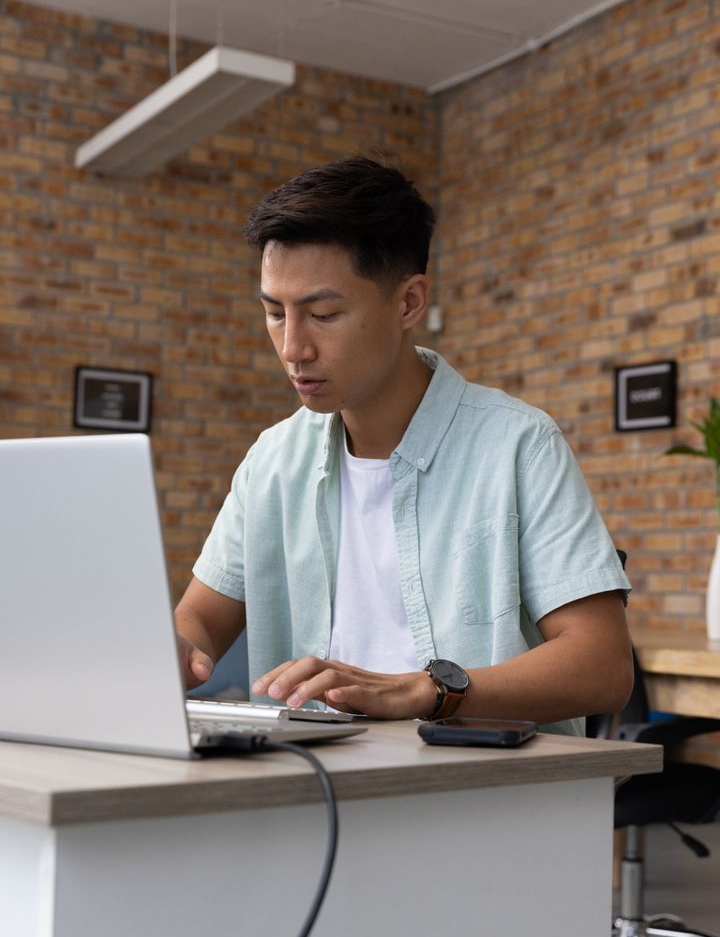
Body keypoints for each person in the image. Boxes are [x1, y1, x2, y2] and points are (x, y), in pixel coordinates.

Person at [174, 155, 633, 736]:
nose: (293, 347)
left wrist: (428, 690)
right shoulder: (273, 458)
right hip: (310, 785)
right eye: (273, 314)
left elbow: (603, 667)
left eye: (322, 313)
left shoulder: (518, 445)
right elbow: (199, 620)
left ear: (409, 302)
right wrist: (175, 648)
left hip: (484, 798)